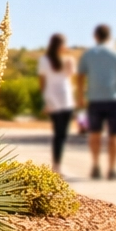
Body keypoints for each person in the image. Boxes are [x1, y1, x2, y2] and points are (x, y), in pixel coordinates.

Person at [76, 24, 116, 179]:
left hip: (94, 100)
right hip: (114, 100)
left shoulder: (88, 55)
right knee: (115, 136)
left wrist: (80, 96)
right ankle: (112, 169)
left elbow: (80, 77)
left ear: (95, 36)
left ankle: (95, 165)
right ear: (109, 37)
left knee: (94, 134)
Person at [38, 33, 75, 173]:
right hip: (59, 100)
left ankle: (57, 164)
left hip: (64, 100)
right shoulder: (46, 60)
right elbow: (42, 80)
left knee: (61, 134)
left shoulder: (64, 60)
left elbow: (43, 81)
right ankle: (57, 165)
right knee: (60, 134)